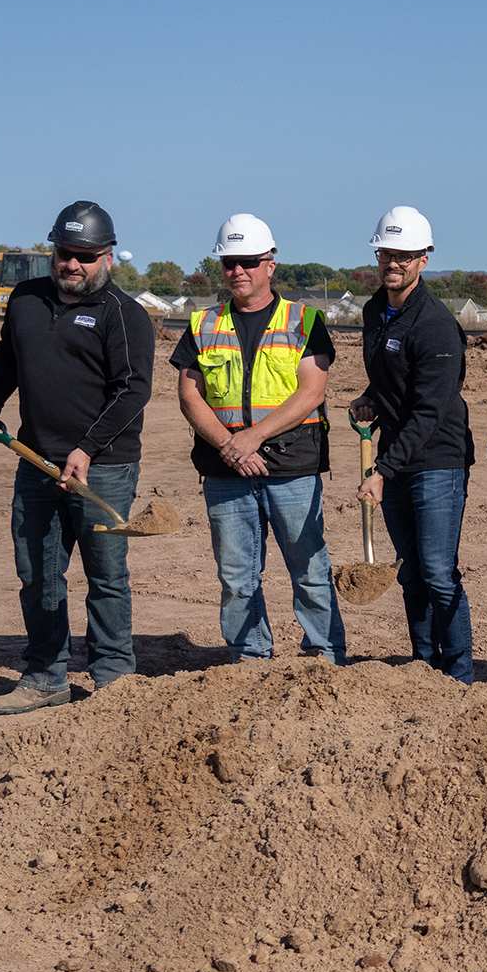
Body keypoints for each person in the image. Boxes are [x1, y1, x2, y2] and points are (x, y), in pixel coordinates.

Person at [0, 200, 156, 714]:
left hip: (105, 466)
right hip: (35, 459)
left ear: (108, 257)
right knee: (38, 573)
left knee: (105, 573)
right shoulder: (25, 299)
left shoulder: (125, 316)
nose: (72, 264)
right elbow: (9, 355)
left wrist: (86, 449)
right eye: (64, 253)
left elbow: (133, 391)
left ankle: (114, 677)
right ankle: (47, 676)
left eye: (85, 256)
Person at [172, 213, 345, 666]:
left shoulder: (305, 320)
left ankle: (324, 657)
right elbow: (190, 395)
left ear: (270, 263)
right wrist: (230, 447)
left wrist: (250, 438)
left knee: (309, 570)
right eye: (229, 262)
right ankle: (249, 659)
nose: (237, 271)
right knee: (236, 576)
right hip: (225, 469)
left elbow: (312, 391)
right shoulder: (203, 324)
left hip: (292, 467)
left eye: (248, 261)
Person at [349, 206, 477, 681]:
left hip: (437, 461)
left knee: (440, 574)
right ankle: (424, 669)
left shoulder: (436, 325)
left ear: (424, 260)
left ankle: (460, 674)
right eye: (386, 253)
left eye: (404, 255)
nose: (393, 263)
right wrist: (371, 400)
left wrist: (382, 470)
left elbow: (431, 409)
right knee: (410, 574)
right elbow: (393, 384)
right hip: (396, 459)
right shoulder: (373, 312)